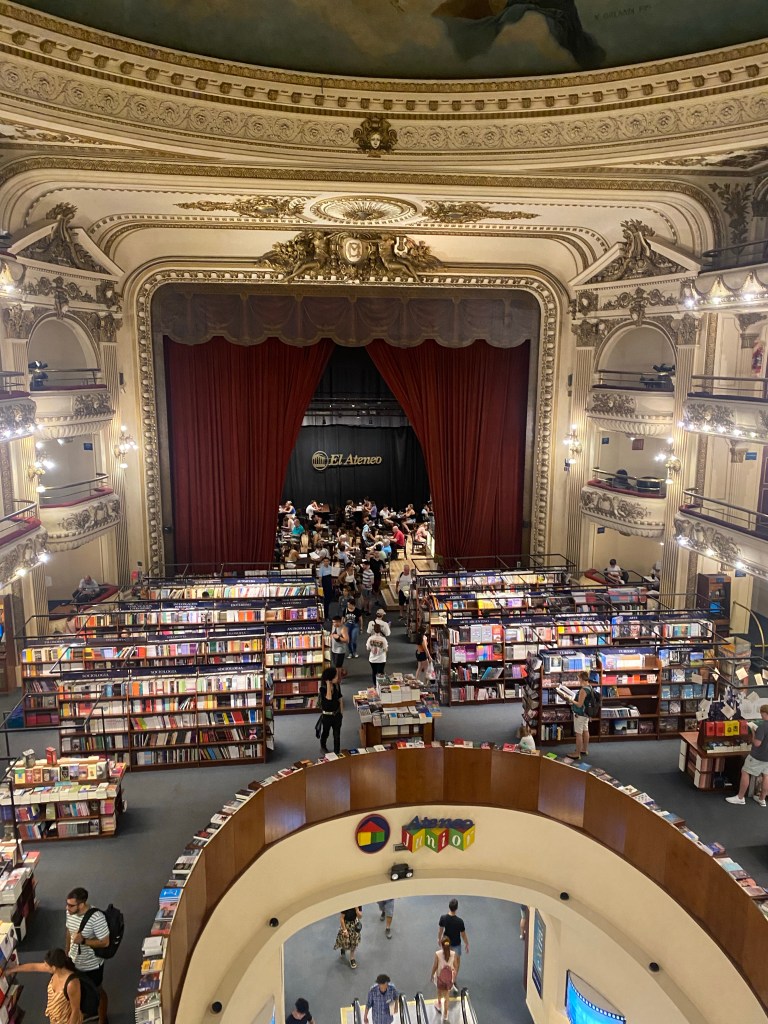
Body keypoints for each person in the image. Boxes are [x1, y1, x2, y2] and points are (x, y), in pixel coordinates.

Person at [65, 887, 109, 1024]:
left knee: (98, 992)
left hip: (92, 966)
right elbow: (69, 932)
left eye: (71, 905)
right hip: (74, 962)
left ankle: (102, 1019)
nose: (67, 908)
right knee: (78, 993)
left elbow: (105, 942)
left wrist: (84, 941)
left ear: (81, 904)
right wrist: (67, 952)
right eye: (67, 904)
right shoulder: (69, 913)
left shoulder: (97, 918)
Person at [6, 948, 84, 1024]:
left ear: (53, 968)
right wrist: (11, 970)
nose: (44, 966)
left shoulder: (71, 984)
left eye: (46, 965)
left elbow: (75, 1011)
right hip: (55, 1019)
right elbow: (33, 967)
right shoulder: (57, 970)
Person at [726, 704, 768, 805]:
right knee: (766, 776)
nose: (761, 715)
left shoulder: (763, 726)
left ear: (765, 713)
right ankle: (762, 799)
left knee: (745, 772)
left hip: (757, 756)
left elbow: (757, 743)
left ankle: (740, 797)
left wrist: (753, 732)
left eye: (761, 713)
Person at [437, 898, 469, 979]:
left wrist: (439, 939)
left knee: (445, 958)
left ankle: (444, 975)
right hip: (456, 944)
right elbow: (463, 935)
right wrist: (467, 943)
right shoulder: (460, 921)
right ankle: (453, 979)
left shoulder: (443, 918)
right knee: (457, 962)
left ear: (449, 907)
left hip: (446, 942)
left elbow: (440, 930)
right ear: (457, 908)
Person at [567, 671, 594, 759]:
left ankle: (577, 753)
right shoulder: (590, 687)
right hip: (586, 714)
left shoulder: (583, 690)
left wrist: (571, 700)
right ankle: (584, 749)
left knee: (578, 734)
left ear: (582, 679)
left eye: (579, 678)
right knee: (585, 730)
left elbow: (579, 704)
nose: (578, 680)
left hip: (580, 714)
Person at [318, 666, 343, 756]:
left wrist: (341, 713)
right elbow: (328, 698)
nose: (337, 677)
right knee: (326, 732)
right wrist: (328, 685)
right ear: (330, 679)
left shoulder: (337, 686)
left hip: (336, 714)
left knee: (337, 735)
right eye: (335, 676)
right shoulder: (322, 689)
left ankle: (337, 751)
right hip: (327, 716)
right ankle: (323, 746)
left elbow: (340, 698)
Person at [430, 937, 457, 1021]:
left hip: (440, 978)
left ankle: (438, 1004)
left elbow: (435, 966)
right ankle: (445, 1015)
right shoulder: (453, 954)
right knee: (446, 997)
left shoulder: (438, 954)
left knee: (439, 990)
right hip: (448, 979)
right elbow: (455, 967)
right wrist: (453, 977)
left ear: (441, 945)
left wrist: (432, 975)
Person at [329, 615, 349, 683]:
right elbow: (332, 634)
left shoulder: (343, 629)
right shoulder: (333, 626)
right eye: (333, 622)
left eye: (335, 622)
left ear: (339, 622)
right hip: (333, 648)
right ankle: (343, 672)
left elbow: (347, 640)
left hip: (340, 650)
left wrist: (338, 637)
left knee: (338, 666)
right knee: (336, 664)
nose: (334, 624)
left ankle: (338, 679)